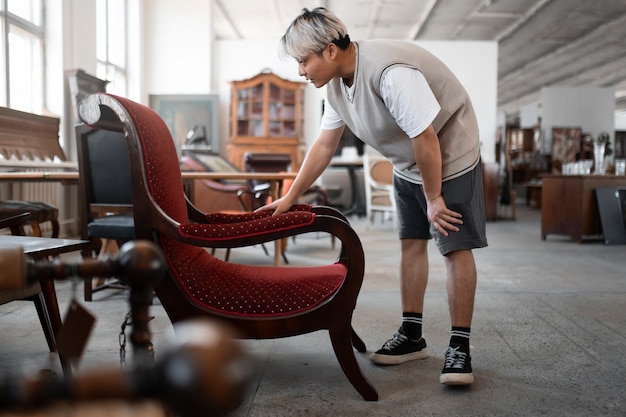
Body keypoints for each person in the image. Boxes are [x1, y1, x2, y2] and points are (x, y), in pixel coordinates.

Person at [263, 7, 487, 386]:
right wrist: (291, 195)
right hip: (408, 162)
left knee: (453, 246)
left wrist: (434, 199)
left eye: (304, 61)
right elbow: (323, 145)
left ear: (330, 50)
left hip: (449, 156)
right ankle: (412, 336)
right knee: (411, 244)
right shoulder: (334, 86)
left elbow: (427, 137)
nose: (300, 71)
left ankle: (460, 346)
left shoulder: (390, 73)